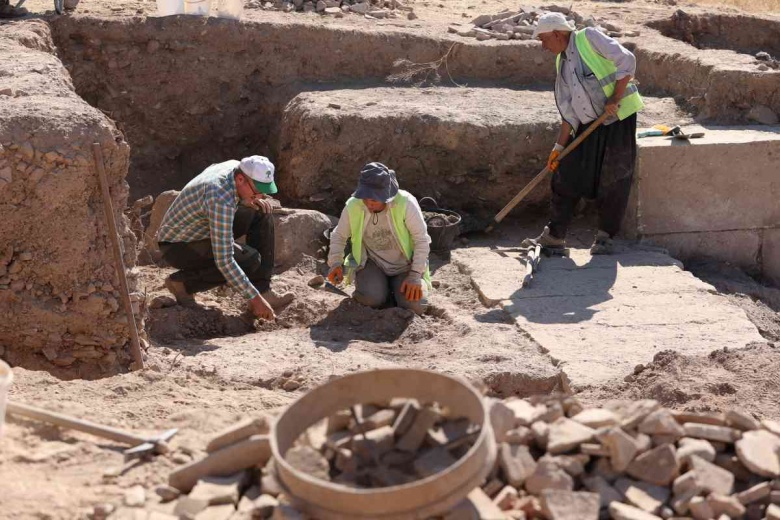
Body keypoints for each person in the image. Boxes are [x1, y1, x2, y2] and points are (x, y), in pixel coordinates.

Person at [524, 12, 644, 255]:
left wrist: (616, 97)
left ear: (557, 34)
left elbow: (627, 61)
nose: (544, 46)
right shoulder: (562, 61)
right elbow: (570, 112)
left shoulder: (589, 38)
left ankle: (605, 238)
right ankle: (555, 236)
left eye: (544, 40)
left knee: (613, 177)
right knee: (565, 174)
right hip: (589, 123)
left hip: (618, 118)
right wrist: (558, 148)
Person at [157, 156, 294, 321]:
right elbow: (224, 260)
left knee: (261, 210)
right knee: (249, 260)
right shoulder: (219, 197)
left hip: (201, 230)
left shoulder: (236, 167)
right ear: (240, 179)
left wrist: (248, 200)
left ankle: (263, 289)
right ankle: (183, 284)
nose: (260, 195)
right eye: (257, 191)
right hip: (178, 246)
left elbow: (239, 195)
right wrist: (255, 300)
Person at [327, 162, 431, 315]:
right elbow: (339, 235)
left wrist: (415, 276)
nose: (369, 203)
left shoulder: (406, 203)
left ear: (386, 196)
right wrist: (335, 262)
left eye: (374, 199)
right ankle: (382, 290)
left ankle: (394, 289)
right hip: (373, 264)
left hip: (405, 266)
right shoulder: (353, 206)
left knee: (416, 307)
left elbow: (421, 240)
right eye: (365, 198)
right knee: (371, 299)